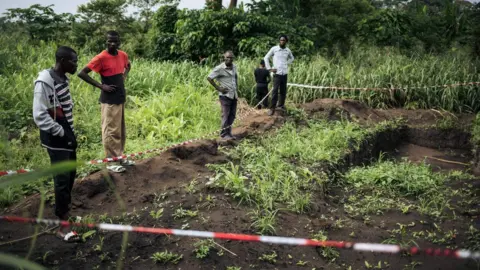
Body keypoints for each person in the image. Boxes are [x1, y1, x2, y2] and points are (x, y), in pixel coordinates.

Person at [33, 46, 81, 242]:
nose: (76, 64)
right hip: (56, 137)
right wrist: (60, 131)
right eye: (73, 61)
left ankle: (65, 213)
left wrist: (68, 131)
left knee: (70, 176)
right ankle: (62, 227)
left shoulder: (62, 79)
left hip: (66, 133)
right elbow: (39, 114)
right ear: (62, 61)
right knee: (61, 180)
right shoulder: (45, 82)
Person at [78, 31, 134, 173]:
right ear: (106, 41)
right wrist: (101, 86)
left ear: (119, 41)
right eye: (110, 41)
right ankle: (111, 162)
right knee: (110, 131)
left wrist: (123, 77)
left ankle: (119, 157)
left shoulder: (123, 55)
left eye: (115, 41)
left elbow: (128, 66)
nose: (112, 44)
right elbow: (82, 73)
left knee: (120, 130)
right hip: (109, 100)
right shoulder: (101, 57)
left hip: (120, 97)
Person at [207, 51, 238, 140]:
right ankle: (224, 134)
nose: (229, 59)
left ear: (233, 58)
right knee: (225, 115)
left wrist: (237, 89)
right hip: (225, 96)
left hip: (234, 95)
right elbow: (209, 78)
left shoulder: (234, 66)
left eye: (231, 58)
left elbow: (235, 77)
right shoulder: (220, 68)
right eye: (227, 57)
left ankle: (229, 133)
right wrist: (219, 88)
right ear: (224, 58)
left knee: (232, 115)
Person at [264, 35, 294, 116]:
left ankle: (281, 105)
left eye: (283, 40)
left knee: (283, 91)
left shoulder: (288, 50)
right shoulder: (274, 49)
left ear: (286, 41)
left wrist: (286, 63)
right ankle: (272, 108)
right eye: (281, 40)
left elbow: (292, 58)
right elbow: (266, 57)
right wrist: (269, 68)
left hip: (284, 73)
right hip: (276, 74)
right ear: (279, 41)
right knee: (275, 91)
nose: (282, 41)